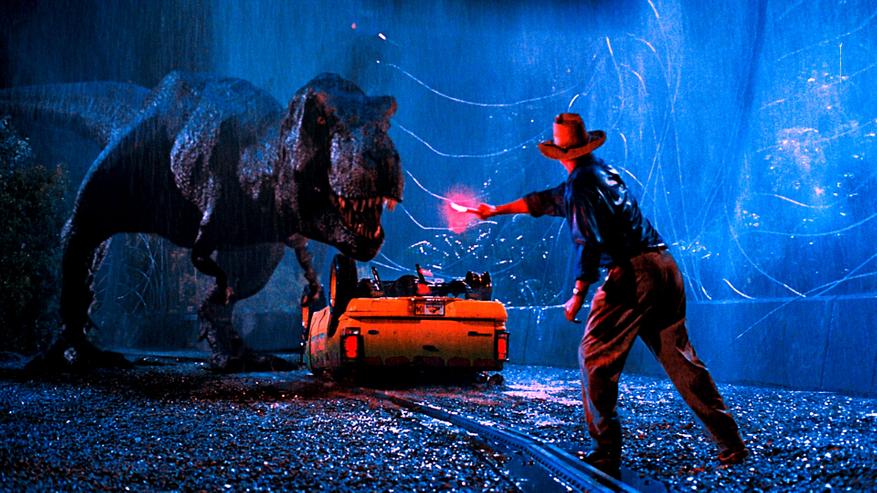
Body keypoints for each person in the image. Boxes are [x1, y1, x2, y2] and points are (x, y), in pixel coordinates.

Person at [471, 113, 748, 474]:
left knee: (594, 357)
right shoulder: (603, 174)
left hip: (630, 275)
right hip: (663, 266)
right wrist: (495, 210)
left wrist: (578, 293)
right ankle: (731, 443)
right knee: (682, 359)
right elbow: (544, 201)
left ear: (560, 154)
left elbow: (588, 240)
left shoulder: (580, 186)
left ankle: (605, 451)